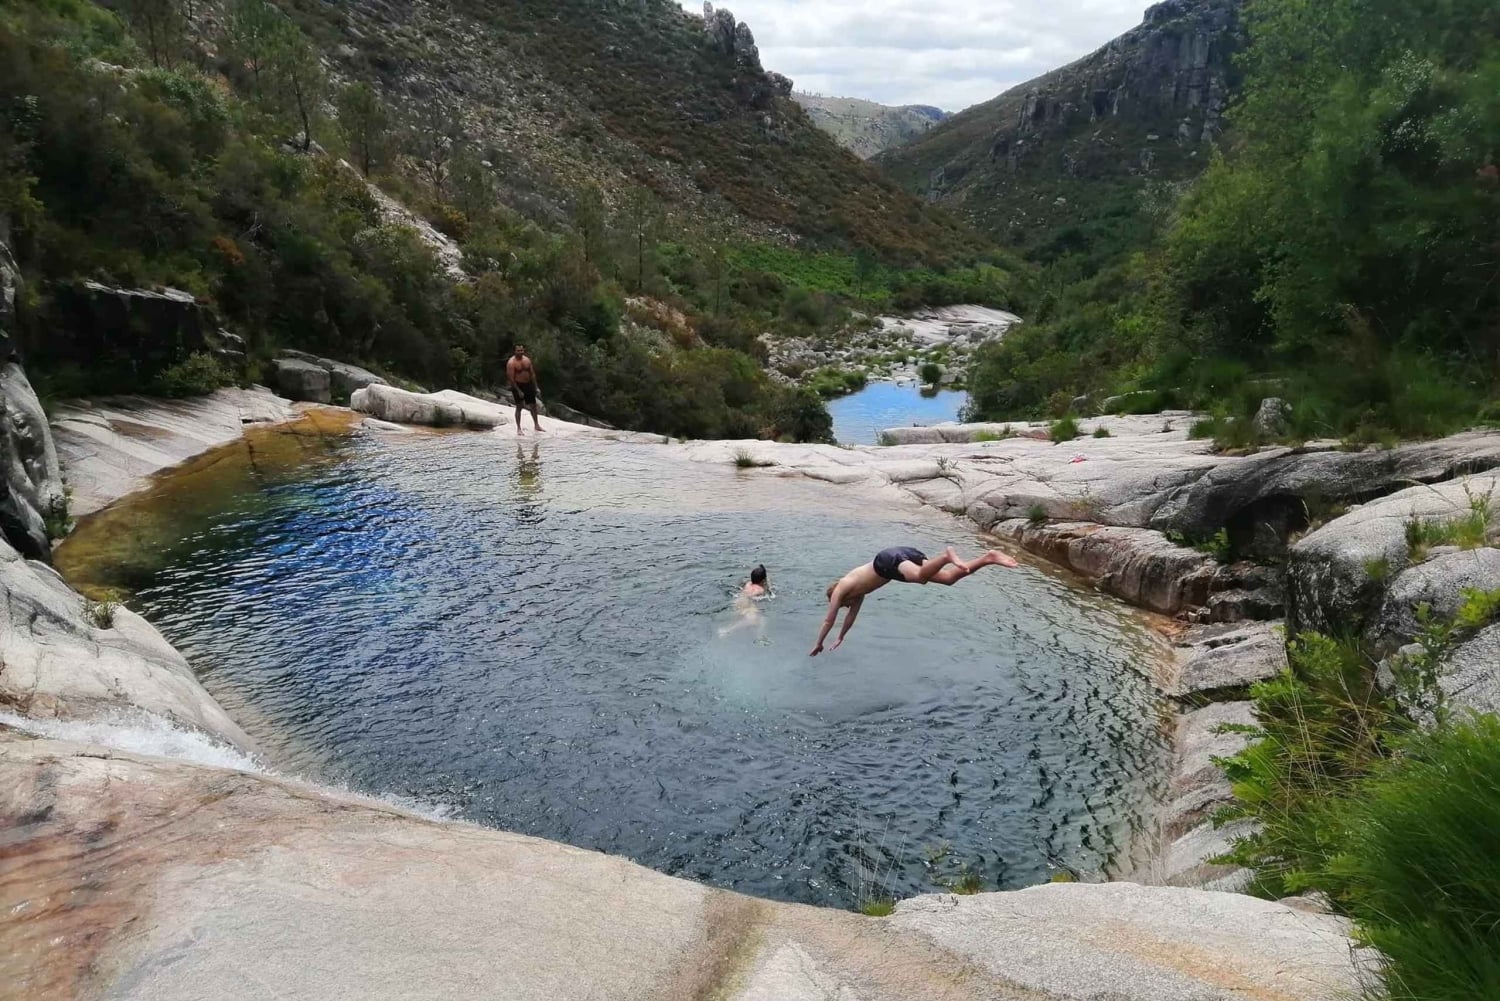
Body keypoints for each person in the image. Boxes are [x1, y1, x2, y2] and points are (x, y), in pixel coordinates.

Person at [810, 546, 1019, 656]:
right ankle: (988, 558)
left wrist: (819, 643)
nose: (845, 606)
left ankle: (946, 556)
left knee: (920, 577)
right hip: (899, 558)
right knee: (948, 579)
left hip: (886, 560)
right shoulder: (858, 594)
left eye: (843, 604)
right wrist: (840, 638)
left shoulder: (842, 587)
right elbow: (850, 618)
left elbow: (829, 619)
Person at [720, 565, 770, 639]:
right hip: (747, 603)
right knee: (756, 620)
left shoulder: (748, 584)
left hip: (737, 600)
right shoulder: (760, 589)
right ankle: (727, 630)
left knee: (743, 616)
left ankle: (730, 630)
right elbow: (768, 590)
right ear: (763, 581)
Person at [506, 344, 544, 435]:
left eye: (521, 350)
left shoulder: (527, 360)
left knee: (533, 405)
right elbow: (511, 379)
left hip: (528, 384)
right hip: (518, 385)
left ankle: (536, 425)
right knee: (519, 406)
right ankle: (519, 428)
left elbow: (532, 374)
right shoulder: (511, 363)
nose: (520, 352)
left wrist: (536, 387)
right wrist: (518, 391)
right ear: (515, 351)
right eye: (518, 350)